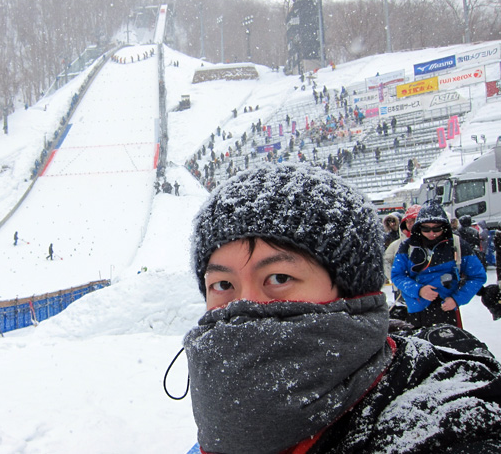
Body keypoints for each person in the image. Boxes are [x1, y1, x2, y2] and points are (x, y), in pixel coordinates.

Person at [183, 164, 501, 453]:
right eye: (223, 285)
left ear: (352, 290)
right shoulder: (220, 430)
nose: (243, 307)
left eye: (279, 277)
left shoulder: (435, 419)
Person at [391, 200, 486, 329]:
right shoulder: (407, 246)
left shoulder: (457, 244)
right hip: (417, 310)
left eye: (437, 228)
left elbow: (478, 276)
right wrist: (418, 290)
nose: (431, 233)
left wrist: (457, 299)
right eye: (426, 229)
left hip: (448, 310)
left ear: (444, 227)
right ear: (419, 227)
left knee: (450, 348)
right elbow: (397, 275)